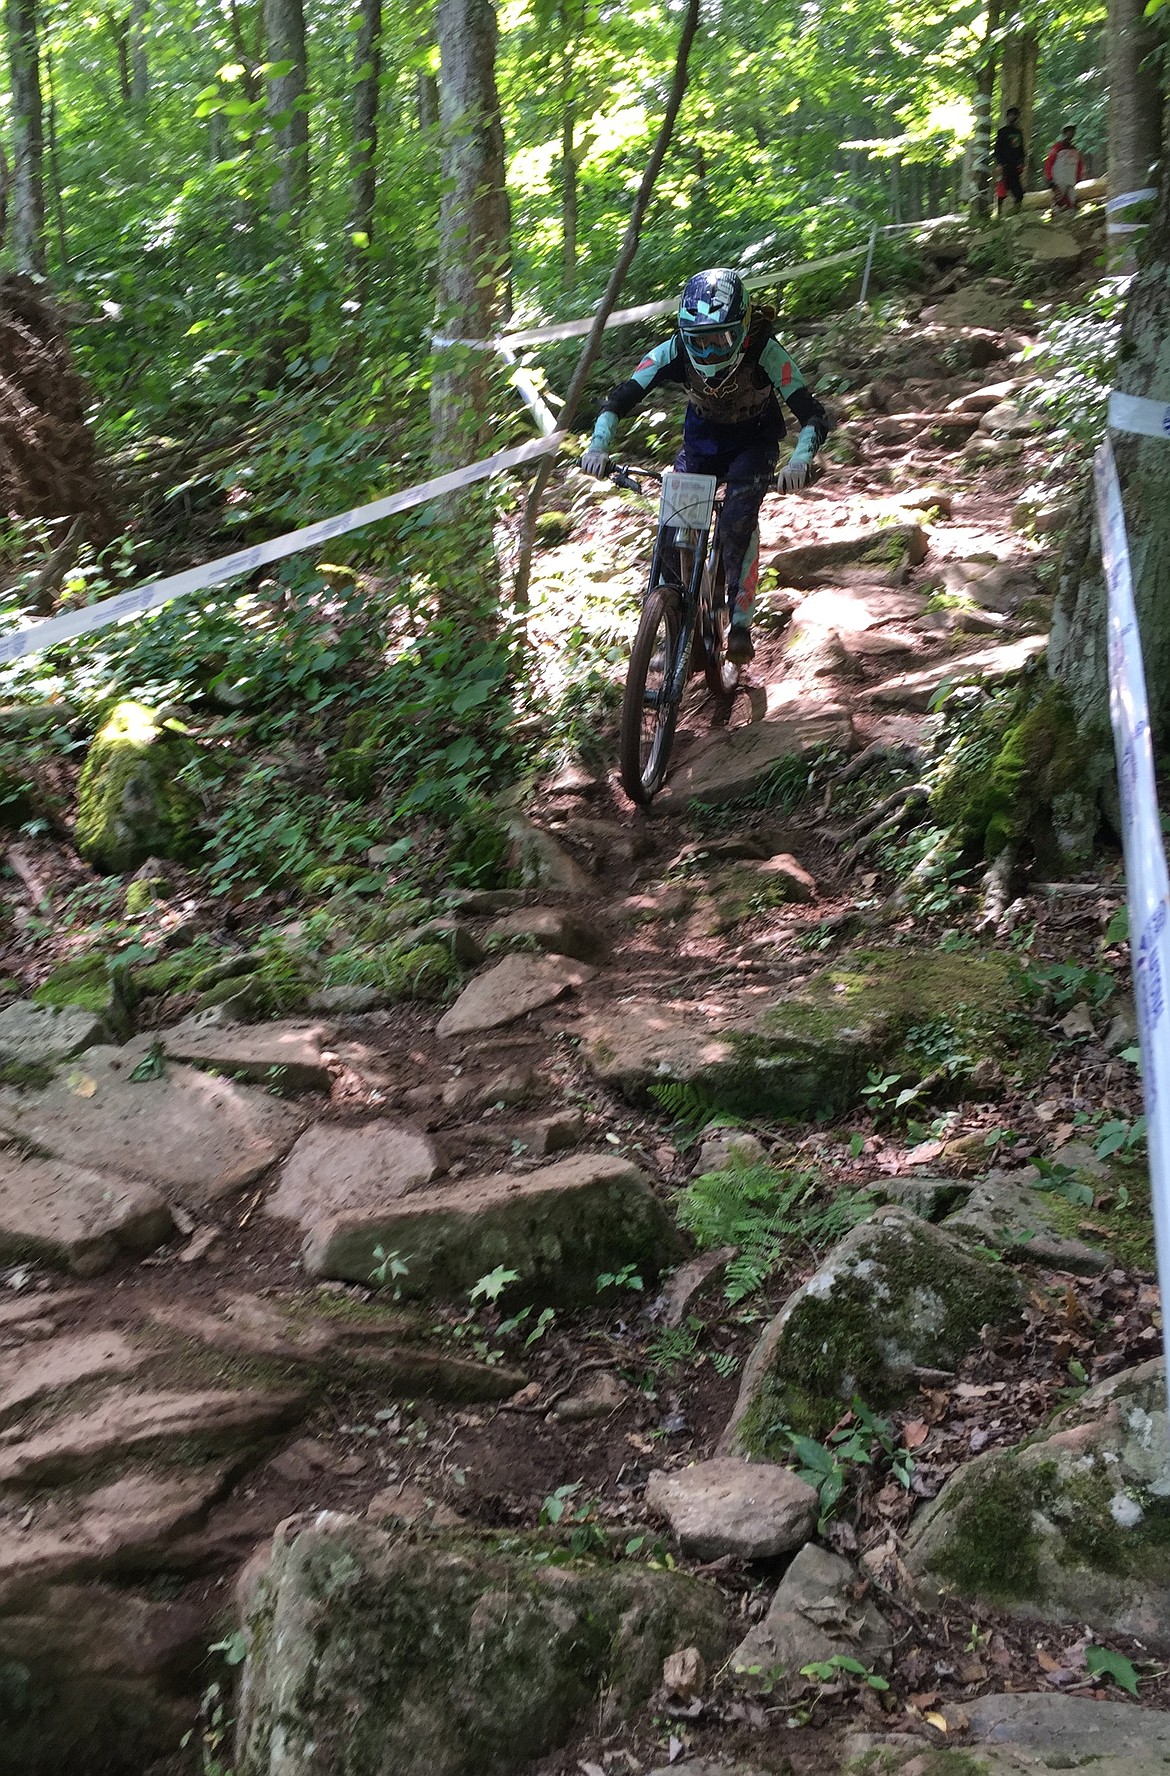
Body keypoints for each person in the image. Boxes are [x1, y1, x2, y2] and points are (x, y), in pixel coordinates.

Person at [580, 268, 830, 666]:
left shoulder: (766, 350)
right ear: (684, 334)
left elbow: (812, 414)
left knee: (737, 522)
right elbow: (621, 397)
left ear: (744, 327)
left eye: (722, 340)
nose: (711, 352)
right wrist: (597, 447)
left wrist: (799, 461)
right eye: (701, 341)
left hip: (754, 444)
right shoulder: (673, 350)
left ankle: (741, 623)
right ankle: (668, 628)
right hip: (702, 444)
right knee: (670, 530)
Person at [993, 107, 1027, 215]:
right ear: (1007, 117)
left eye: (1015, 115)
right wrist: (1000, 163)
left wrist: (1022, 162)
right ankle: (999, 214)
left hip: (1015, 167)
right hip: (1004, 166)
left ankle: (1015, 213)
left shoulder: (1018, 133)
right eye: (1011, 115)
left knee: (1019, 194)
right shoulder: (1002, 132)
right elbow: (997, 149)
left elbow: (1020, 149)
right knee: (1001, 192)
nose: (1013, 117)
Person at [1044, 124, 1084, 213]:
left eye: (1073, 131)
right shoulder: (1057, 147)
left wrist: (1078, 177)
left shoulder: (1075, 150)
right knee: (1058, 201)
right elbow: (1049, 162)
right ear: (1065, 133)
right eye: (1069, 131)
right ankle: (1055, 221)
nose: (1071, 133)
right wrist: (1049, 178)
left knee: (1072, 201)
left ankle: (1071, 222)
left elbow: (1078, 165)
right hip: (1058, 180)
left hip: (1071, 180)